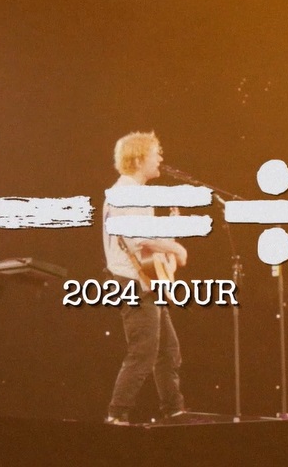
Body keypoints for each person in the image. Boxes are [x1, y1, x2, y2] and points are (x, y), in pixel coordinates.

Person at [102, 131, 188, 425]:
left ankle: (174, 410)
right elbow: (138, 239)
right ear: (138, 159)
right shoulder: (129, 193)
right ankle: (117, 415)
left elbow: (146, 248)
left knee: (167, 351)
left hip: (144, 282)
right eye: (156, 154)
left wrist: (170, 231)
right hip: (132, 284)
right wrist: (175, 248)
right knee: (144, 352)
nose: (161, 159)